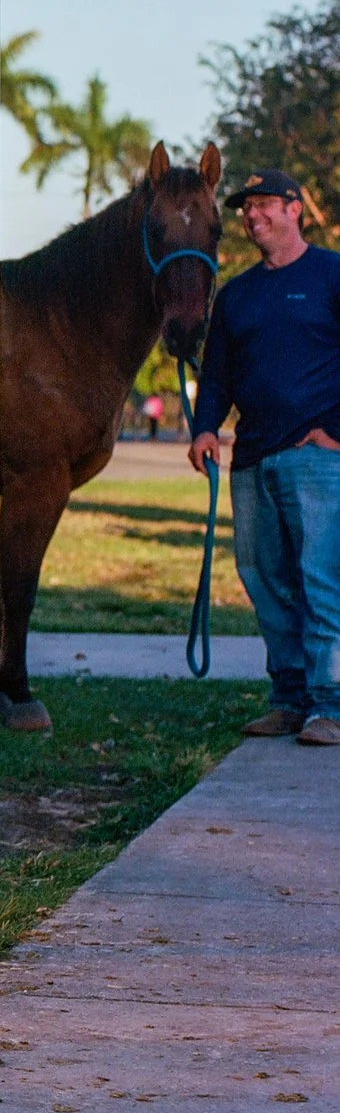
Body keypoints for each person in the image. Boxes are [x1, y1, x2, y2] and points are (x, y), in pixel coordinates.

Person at [187, 167, 340, 743]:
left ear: (295, 208)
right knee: (263, 578)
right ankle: (289, 698)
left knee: (321, 578)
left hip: (318, 459)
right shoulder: (238, 295)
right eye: (245, 209)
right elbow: (219, 375)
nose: (252, 216)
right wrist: (205, 429)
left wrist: (336, 432)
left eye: (264, 205)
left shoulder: (331, 274)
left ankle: (331, 705)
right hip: (251, 461)